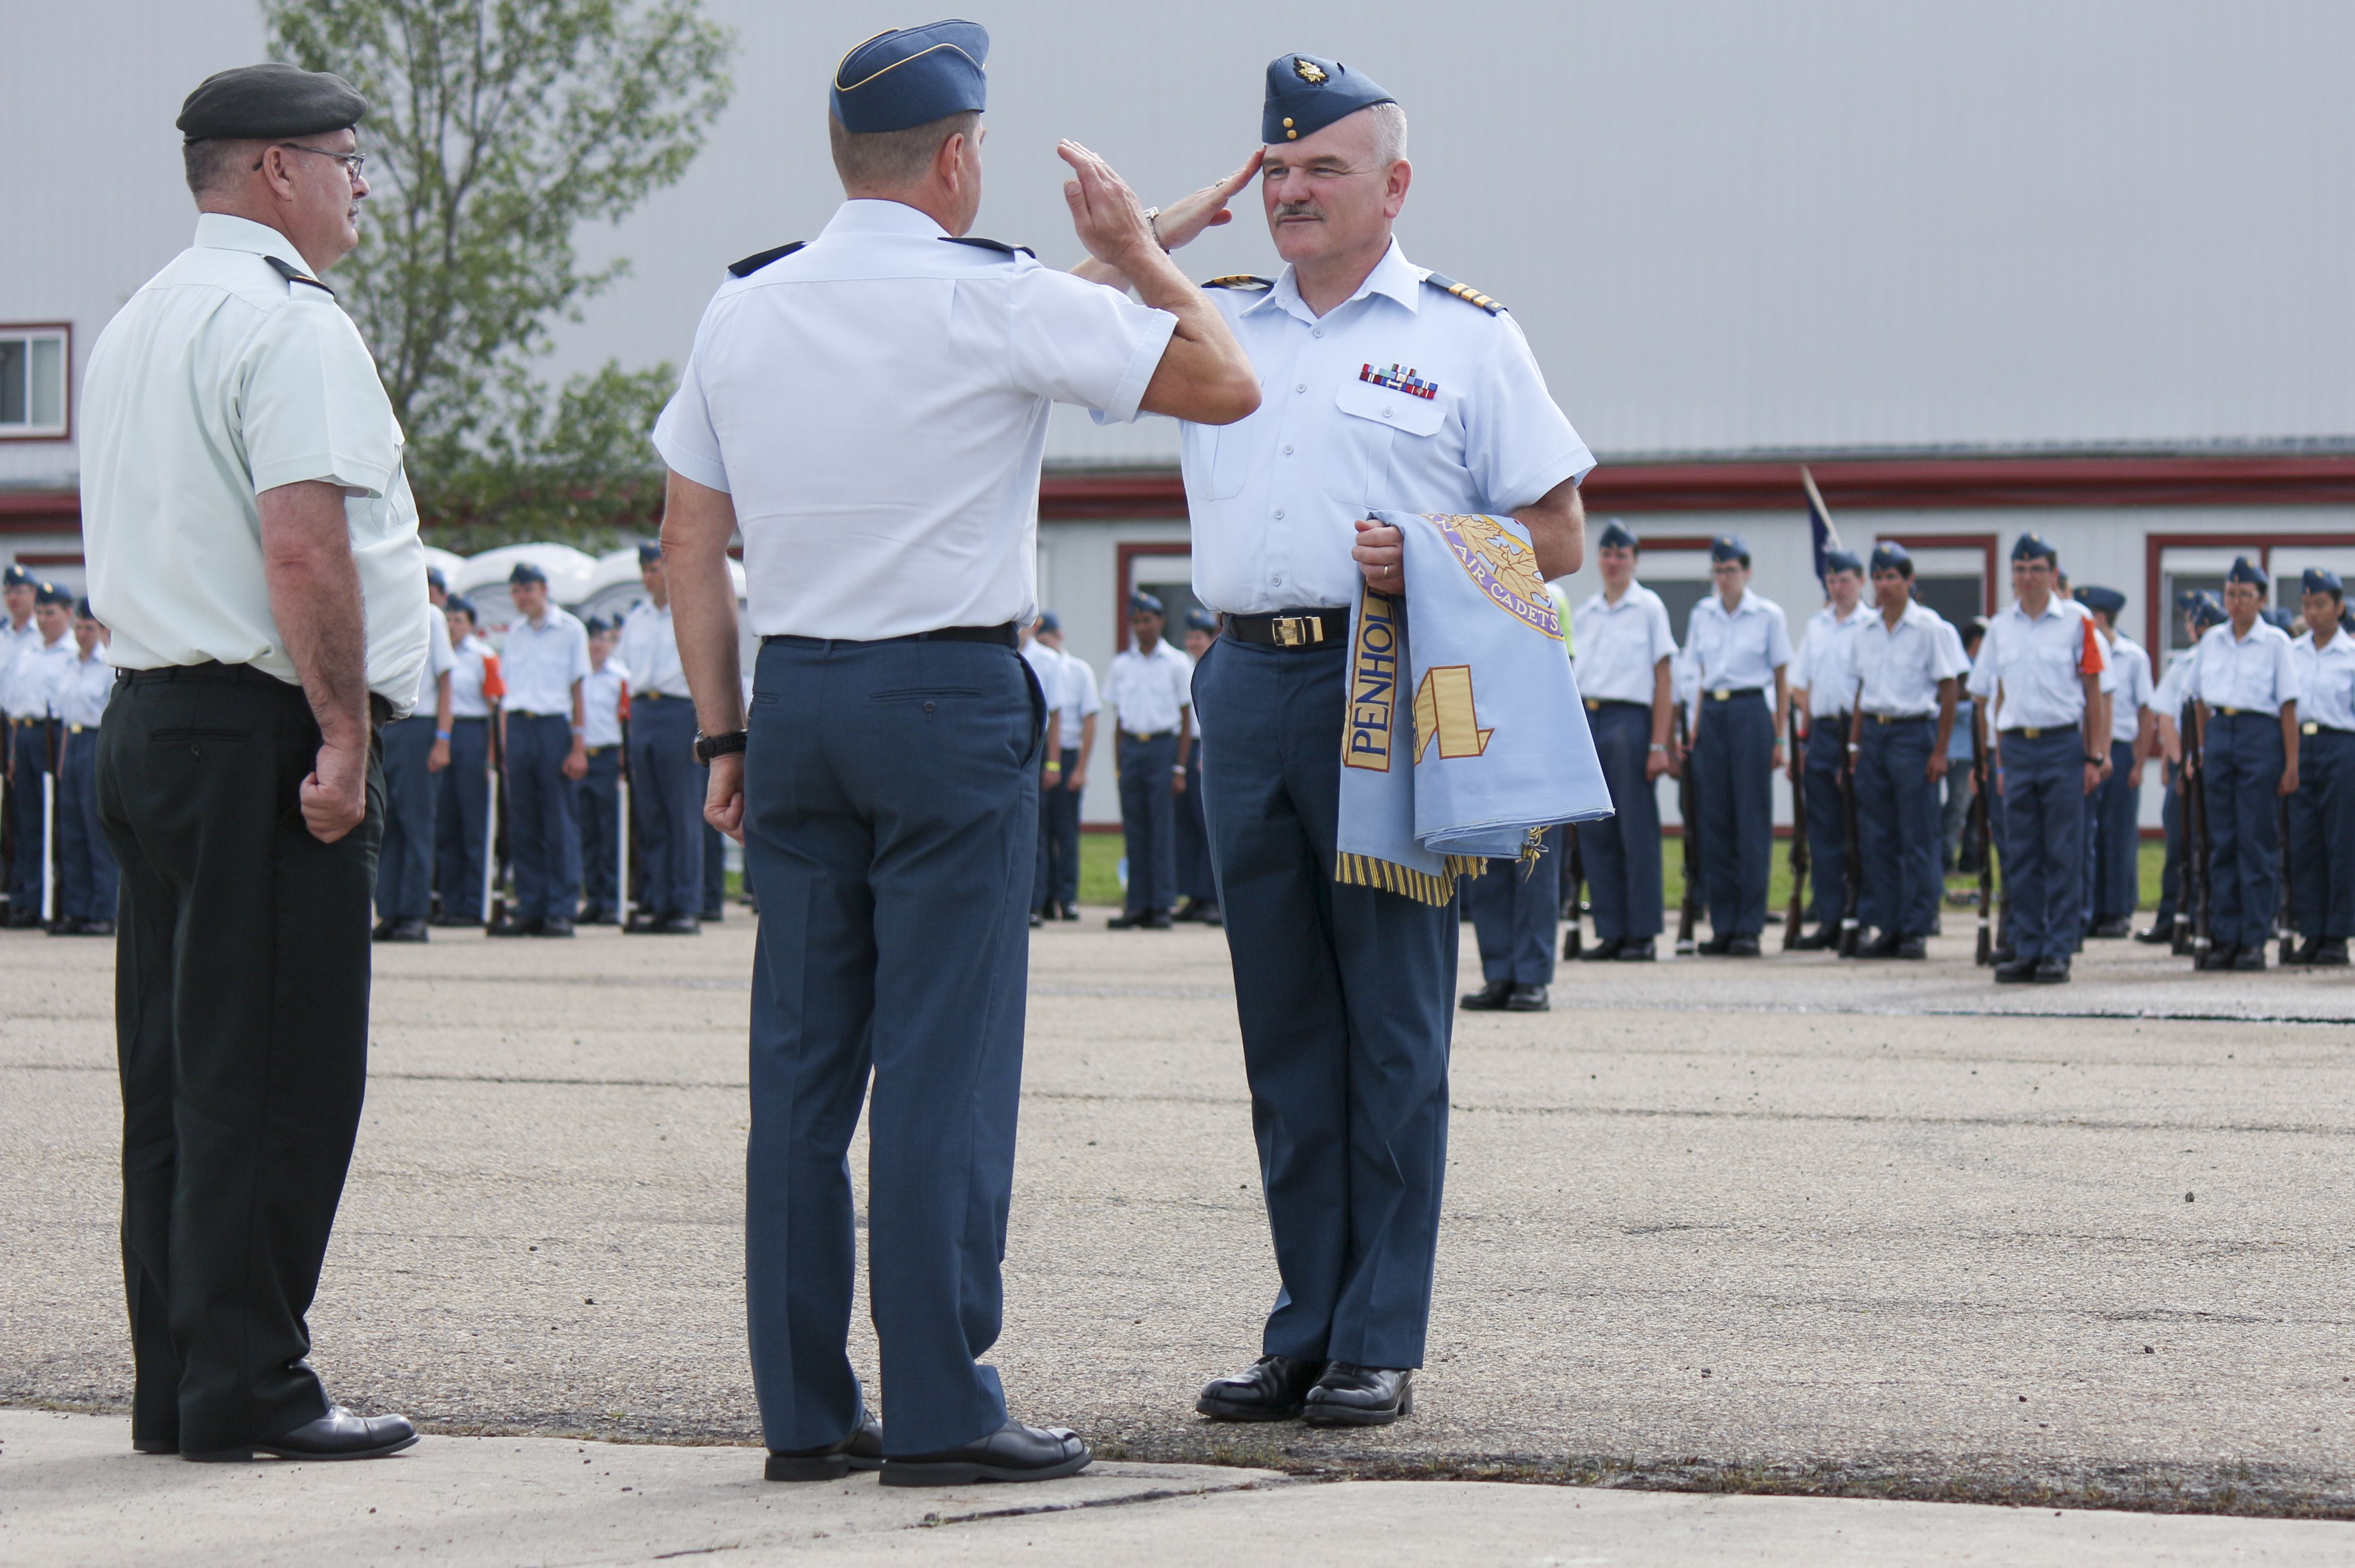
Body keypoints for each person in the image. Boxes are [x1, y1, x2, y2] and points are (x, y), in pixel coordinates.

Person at [650, 19, 1256, 1485]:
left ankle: (806, 1411)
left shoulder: (745, 309)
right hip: (943, 707)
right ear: (963, 156)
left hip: (792, 706)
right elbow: (1224, 378)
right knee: (941, 1063)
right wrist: (1147, 247)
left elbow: (687, 544)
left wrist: (721, 730)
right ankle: (939, 1403)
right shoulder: (990, 300)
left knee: (800, 1070)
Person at [1084, 51, 1591, 1427]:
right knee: (1285, 1030)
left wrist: (1422, 554)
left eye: (1327, 168)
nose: (1297, 190)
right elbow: (1030, 326)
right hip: (1245, 686)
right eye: (1280, 168)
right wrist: (1164, 235)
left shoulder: (1464, 335)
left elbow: (1557, 535)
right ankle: (1301, 1324)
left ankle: (1378, 1329)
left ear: (1394, 185)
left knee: (1391, 1026)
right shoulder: (1213, 323)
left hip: (1384, 693)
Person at [81, 61, 430, 1461]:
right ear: (278, 169)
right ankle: (256, 1382)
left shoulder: (141, 318)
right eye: (348, 158)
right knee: (278, 1068)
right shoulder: (286, 323)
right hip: (256, 730)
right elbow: (303, 542)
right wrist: (345, 732)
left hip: (152, 718)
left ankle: (182, 1376)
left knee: (176, 1071)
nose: (358, 184)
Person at [1968, 534, 2107, 984]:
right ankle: (2026, 946)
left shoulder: (2077, 621)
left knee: (2062, 851)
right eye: (2020, 570)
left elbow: (2094, 691)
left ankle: (2058, 949)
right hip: (2017, 746)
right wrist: (1994, 760)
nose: (2028, 578)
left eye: (2037, 569)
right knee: (2021, 853)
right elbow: (1989, 693)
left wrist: (2095, 754)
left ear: (2053, 573)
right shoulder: (2000, 627)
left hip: (2062, 744)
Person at [1846, 542, 1965, 959]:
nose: (1884, 585)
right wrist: (1856, 744)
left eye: (1892, 577)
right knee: (1878, 837)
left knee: (1918, 835)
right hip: (1876, 735)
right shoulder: (1866, 630)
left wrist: (1941, 749)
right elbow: (1862, 690)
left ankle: (1917, 925)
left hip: (1914, 734)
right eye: (1878, 577)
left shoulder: (1931, 628)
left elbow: (1949, 689)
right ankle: (1889, 924)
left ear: (1910, 581)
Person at [1566, 521, 1676, 962]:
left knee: (1636, 830)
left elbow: (1664, 679)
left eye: (1622, 555)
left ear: (1635, 559)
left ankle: (1642, 933)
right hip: (1590, 718)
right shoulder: (1588, 610)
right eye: (1607, 554)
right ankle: (1610, 930)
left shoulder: (1649, 607)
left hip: (1630, 721)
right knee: (1597, 833)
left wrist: (1659, 744)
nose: (1613, 562)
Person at [1684, 536, 1792, 956]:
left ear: (1747, 572)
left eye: (1730, 570)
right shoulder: (1702, 614)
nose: (1724, 578)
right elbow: (1696, 670)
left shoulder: (1768, 615)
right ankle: (1723, 923)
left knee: (1750, 821)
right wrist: (1692, 726)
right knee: (1715, 823)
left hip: (1750, 712)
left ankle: (1749, 925)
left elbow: (1783, 676)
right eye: (1718, 570)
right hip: (1712, 714)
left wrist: (1780, 734)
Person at [2190, 557, 2299, 971]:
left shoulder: (2276, 643)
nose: (2236, 603)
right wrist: (2201, 750)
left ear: (2262, 600)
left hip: (2260, 736)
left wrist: (2291, 763)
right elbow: (2199, 701)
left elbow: (2288, 705)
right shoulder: (2212, 640)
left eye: (2245, 595)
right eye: (2230, 595)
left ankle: (2253, 938)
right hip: (2221, 734)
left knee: (2256, 841)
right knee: (2222, 842)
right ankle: (2225, 935)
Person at [489, 560, 590, 937]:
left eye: (527, 589)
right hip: (519, 725)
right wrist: (503, 745)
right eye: (516, 591)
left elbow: (579, 688)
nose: (522, 597)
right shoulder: (514, 633)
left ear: (544, 589)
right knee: (524, 821)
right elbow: (506, 693)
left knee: (559, 819)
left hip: (553, 726)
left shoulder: (570, 630)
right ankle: (530, 906)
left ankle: (562, 908)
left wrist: (579, 743)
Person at [614, 541, 705, 933]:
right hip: (645, 710)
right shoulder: (637, 618)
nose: (651, 576)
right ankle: (656, 900)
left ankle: (684, 904)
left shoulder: (690, 609)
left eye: (656, 567)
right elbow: (624, 669)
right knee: (650, 815)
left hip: (678, 710)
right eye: (646, 569)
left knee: (681, 813)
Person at [1786, 550, 1867, 948]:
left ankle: (1862, 916)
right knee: (1823, 833)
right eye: (1832, 581)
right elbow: (1800, 685)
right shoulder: (1817, 626)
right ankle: (1830, 917)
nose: (1838, 587)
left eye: (1845, 580)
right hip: (1821, 732)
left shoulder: (1870, 625)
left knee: (1861, 830)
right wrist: (1803, 739)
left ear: (1861, 581)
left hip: (1856, 734)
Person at [1101, 592, 1193, 930]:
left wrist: (1179, 767)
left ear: (1160, 621)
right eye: (1137, 621)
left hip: (1161, 747)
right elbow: (1117, 721)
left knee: (1161, 828)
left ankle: (1161, 904)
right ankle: (1136, 904)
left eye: (1148, 620)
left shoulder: (1176, 662)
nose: (1142, 627)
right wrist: (1118, 765)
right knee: (1135, 828)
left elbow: (1186, 718)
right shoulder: (1123, 664)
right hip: (1132, 749)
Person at [372, 569, 454, 943]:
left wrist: (443, 737)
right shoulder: (382, 609)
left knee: (417, 824)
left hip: (420, 726)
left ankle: (416, 913)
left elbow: (446, 679)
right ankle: (389, 910)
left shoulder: (432, 614)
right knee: (387, 824)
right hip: (386, 724)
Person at [2139, 593, 2222, 943]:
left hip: (2220, 763)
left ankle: (2214, 921)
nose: (2199, 632)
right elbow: (2166, 717)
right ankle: (2171, 918)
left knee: (2218, 846)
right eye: (2196, 625)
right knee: (2179, 846)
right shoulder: (2183, 665)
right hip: (2186, 767)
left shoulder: (2225, 661)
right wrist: (2181, 761)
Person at [2071, 586, 2151, 939]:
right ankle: (2088, 909)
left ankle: (2116, 911)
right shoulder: (2077, 650)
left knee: (2117, 834)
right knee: (2087, 835)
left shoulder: (2133, 657)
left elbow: (2146, 712)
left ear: (2099, 617)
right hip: (2086, 748)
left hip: (2119, 749)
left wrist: (2138, 761)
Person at [2287, 567, 2354, 965]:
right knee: (2304, 842)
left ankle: (2338, 934)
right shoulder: (2292, 653)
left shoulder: (2350, 654)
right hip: (2301, 745)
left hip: (2341, 746)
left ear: (2339, 608)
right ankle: (2311, 930)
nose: (2313, 613)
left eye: (2321, 604)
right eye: (2307, 605)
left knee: (2340, 841)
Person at [2, 583, 75, 926]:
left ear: (68, 615)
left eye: (51, 613)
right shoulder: (30, 653)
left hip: (54, 734)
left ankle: (54, 899)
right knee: (25, 821)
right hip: (23, 732)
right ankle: (26, 898)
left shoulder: (72, 654)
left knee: (56, 821)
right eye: (42, 613)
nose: (44, 620)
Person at [51, 601, 119, 935]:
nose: (82, 634)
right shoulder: (69, 666)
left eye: (89, 628)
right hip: (71, 743)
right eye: (78, 627)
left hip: (95, 742)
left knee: (97, 831)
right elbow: (63, 716)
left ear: (101, 631)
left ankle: (104, 910)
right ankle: (75, 910)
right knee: (72, 830)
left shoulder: (108, 665)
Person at [433, 595, 501, 924]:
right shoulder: (438, 652)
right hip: (446, 732)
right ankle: (452, 902)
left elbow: (494, 709)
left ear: (472, 624)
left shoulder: (484, 656)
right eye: (448, 619)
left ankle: (475, 904)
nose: (452, 626)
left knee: (474, 822)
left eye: (459, 619)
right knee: (447, 823)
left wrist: (491, 755)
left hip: (473, 734)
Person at [1030, 612, 1096, 920]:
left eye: (1049, 637)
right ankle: (1042, 899)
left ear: (1060, 636)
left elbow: (1090, 720)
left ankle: (1066, 897)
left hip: (1066, 754)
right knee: (1040, 832)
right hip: (1043, 752)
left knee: (1066, 833)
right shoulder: (1038, 663)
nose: (1045, 643)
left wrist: (1079, 768)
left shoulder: (1077, 670)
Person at [575, 615, 629, 925]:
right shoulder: (578, 676)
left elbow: (625, 723)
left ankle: (612, 899)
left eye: (603, 638)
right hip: (583, 757)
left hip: (609, 757)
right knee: (587, 832)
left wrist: (623, 763)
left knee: (610, 833)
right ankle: (593, 897)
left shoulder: (621, 678)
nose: (597, 645)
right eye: (592, 638)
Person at [1172, 607, 1222, 924]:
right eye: (1189, 637)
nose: (1192, 642)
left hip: (1208, 749)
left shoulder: (1216, 666)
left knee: (1208, 828)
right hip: (1185, 751)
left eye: (1198, 637)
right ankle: (1194, 894)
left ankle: (1213, 898)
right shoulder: (1181, 668)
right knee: (1187, 827)